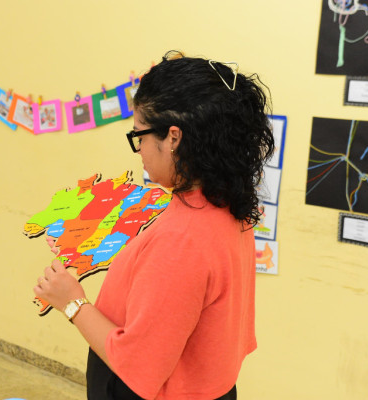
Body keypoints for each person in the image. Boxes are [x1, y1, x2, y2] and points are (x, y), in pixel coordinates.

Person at [34, 50, 275, 400]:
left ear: (173, 138)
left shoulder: (181, 242)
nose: (140, 151)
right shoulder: (228, 204)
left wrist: (72, 302)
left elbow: (139, 366)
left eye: (140, 136)